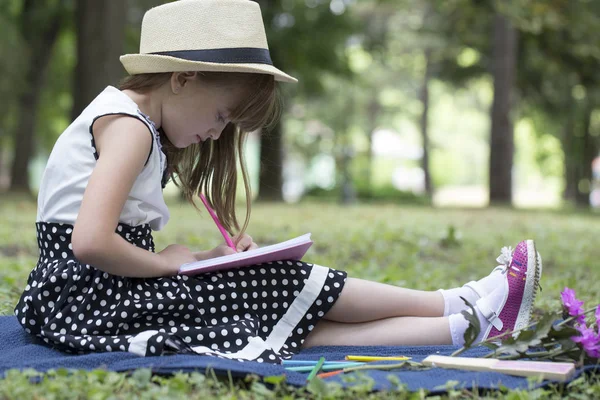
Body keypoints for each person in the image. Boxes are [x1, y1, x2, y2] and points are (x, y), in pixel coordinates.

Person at [15, 0, 542, 363]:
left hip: (91, 295)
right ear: (181, 78)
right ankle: (458, 299)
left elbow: (108, 236)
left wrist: (184, 257)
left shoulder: (137, 126)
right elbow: (87, 242)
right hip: (88, 299)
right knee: (275, 286)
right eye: (222, 116)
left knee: (274, 316)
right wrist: (162, 263)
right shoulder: (128, 128)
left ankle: (466, 325)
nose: (215, 132)